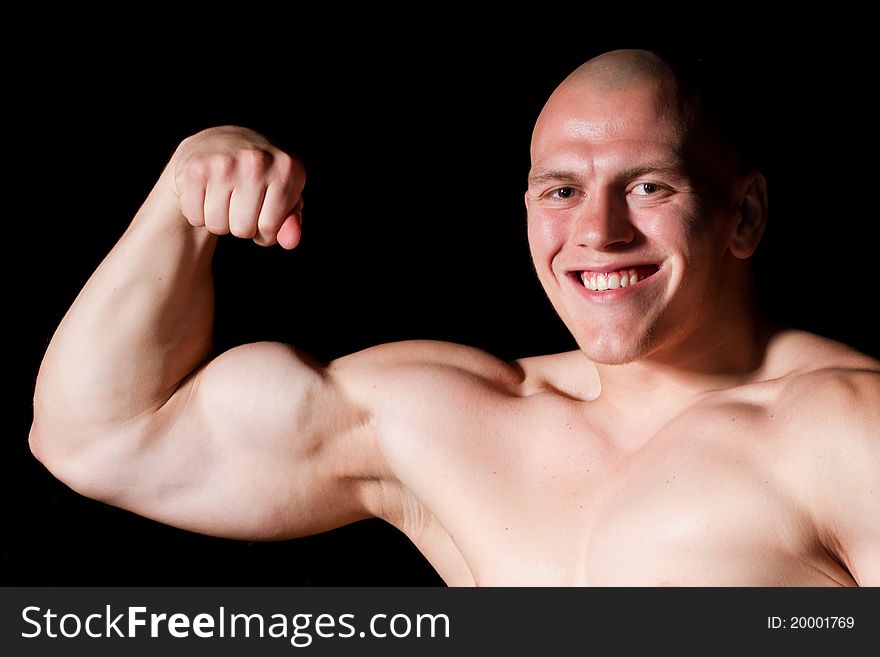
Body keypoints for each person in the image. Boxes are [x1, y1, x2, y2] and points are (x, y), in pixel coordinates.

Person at [29, 49, 879, 586]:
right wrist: (181, 197)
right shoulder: (456, 420)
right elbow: (97, 436)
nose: (598, 232)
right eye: (562, 191)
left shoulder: (846, 430)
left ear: (745, 216)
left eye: (649, 185)